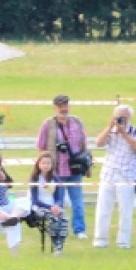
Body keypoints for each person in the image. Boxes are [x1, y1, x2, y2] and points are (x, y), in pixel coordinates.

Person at [36, 94, 89, 238]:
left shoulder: (77, 122)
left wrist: (87, 163)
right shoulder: (48, 124)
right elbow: (41, 147)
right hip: (56, 170)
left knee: (77, 201)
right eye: (60, 106)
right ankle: (57, 228)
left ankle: (80, 230)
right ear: (55, 107)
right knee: (57, 202)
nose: (63, 109)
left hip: (74, 170)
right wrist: (44, 168)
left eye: (65, 105)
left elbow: (84, 144)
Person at [93, 104, 136, 249]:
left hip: (127, 175)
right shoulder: (111, 130)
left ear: (129, 117)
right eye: (119, 116)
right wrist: (110, 128)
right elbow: (98, 143)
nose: (121, 119)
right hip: (109, 173)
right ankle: (100, 240)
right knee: (103, 209)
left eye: (124, 117)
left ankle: (123, 241)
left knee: (125, 210)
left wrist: (124, 133)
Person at [29, 151, 68, 255]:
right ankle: (56, 245)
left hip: (54, 206)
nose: (46, 165)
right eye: (43, 163)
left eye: (48, 163)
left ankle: (59, 246)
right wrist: (50, 207)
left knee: (64, 218)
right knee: (53, 219)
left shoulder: (55, 179)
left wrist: (56, 205)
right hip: (39, 207)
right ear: (38, 164)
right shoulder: (34, 179)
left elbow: (60, 197)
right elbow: (35, 200)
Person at [0, 150, 29, 254]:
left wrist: (4, 179)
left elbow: (10, 184)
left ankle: (12, 217)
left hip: (7, 204)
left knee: (26, 201)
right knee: (13, 226)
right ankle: (15, 254)